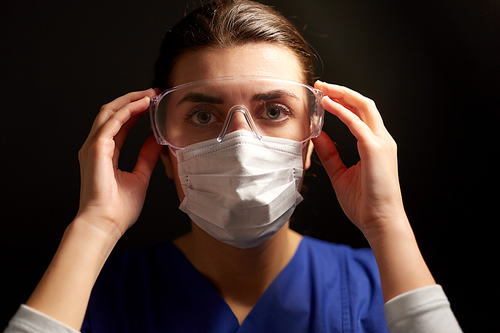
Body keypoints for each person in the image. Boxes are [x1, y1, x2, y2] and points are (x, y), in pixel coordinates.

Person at [5, 0, 462, 332]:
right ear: (165, 148)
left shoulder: (380, 285)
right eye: (203, 115)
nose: (241, 144)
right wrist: (94, 227)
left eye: (274, 111)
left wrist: (387, 224)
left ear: (310, 143)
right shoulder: (89, 295)